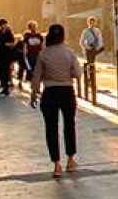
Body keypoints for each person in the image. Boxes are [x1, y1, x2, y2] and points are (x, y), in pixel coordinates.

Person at [31, 23, 83, 177]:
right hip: (67, 91)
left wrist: (34, 94)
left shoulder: (43, 54)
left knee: (51, 129)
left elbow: (36, 77)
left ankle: (56, 165)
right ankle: (71, 160)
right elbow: (78, 73)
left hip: (50, 93)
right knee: (69, 125)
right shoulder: (69, 52)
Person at [19, 21, 45, 87]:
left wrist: (43, 53)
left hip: (38, 55)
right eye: (32, 26)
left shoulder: (39, 36)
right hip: (30, 56)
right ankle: (32, 84)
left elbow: (42, 45)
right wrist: (25, 54)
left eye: (35, 26)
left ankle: (38, 85)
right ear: (30, 27)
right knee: (31, 70)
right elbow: (25, 46)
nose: (34, 28)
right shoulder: (27, 36)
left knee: (39, 70)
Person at [0, 19, 16, 95]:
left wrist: (7, 44)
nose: (4, 25)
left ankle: (6, 88)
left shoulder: (9, 33)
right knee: (1, 71)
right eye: (2, 24)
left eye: (4, 24)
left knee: (6, 71)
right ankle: (4, 87)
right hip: (0, 55)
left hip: (7, 55)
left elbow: (13, 43)